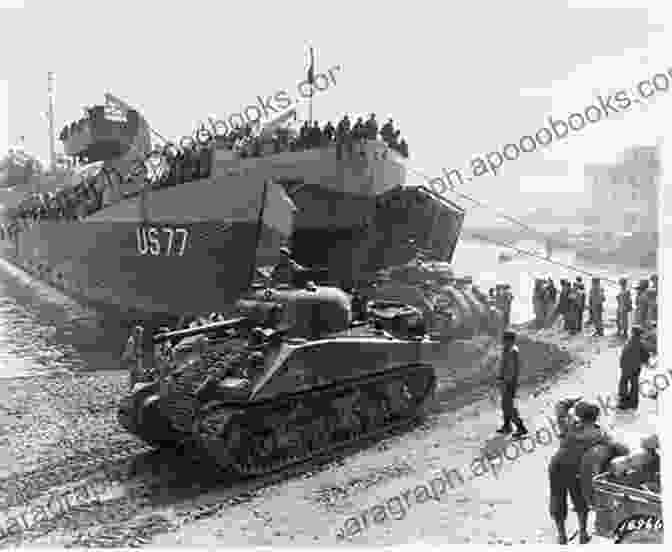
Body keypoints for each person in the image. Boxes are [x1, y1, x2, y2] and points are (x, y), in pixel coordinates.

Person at [548, 399, 624, 544]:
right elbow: (616, 446)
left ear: (578, 415)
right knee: (580, 499)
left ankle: (561, 535)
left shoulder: (570, 426)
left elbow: (559, 407)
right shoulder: (598, 433)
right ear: (596, 416)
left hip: (557, 464)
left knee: (557, 497)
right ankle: (583, 533)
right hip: (576, 468)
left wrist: (572, 401)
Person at [495, 330, 528, 437]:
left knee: (509, 406)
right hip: (506, 381)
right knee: (505, 405)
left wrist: (504, 382)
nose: (503, 341)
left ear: (510, 340)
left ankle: (521, 427)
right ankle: (507, 426)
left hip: (509, 382)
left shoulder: (512, 351)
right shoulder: (507, 350)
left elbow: (511, 370)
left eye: (505, 340)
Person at [618, 325, 651, 410]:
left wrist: (621, 365)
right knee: (634, 384)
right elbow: (646, 356)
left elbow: (623, 354)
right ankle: (633, 402)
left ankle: (624, 401)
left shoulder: (629, 342)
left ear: (633, 333)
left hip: (626, 367)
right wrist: (645, 362)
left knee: (624, 383)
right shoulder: (641, 343)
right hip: (635, 368)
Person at [122, 325, 145, 390]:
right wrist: (133, 359)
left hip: (136, 360)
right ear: (138, 333)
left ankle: (133, 389)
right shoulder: (132, 341)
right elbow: (129, 352)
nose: (141, 335)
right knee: (134, 376)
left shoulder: (136, 339)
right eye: (141, 333)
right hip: (134, 361)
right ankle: (132, 389)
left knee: (137, 376)